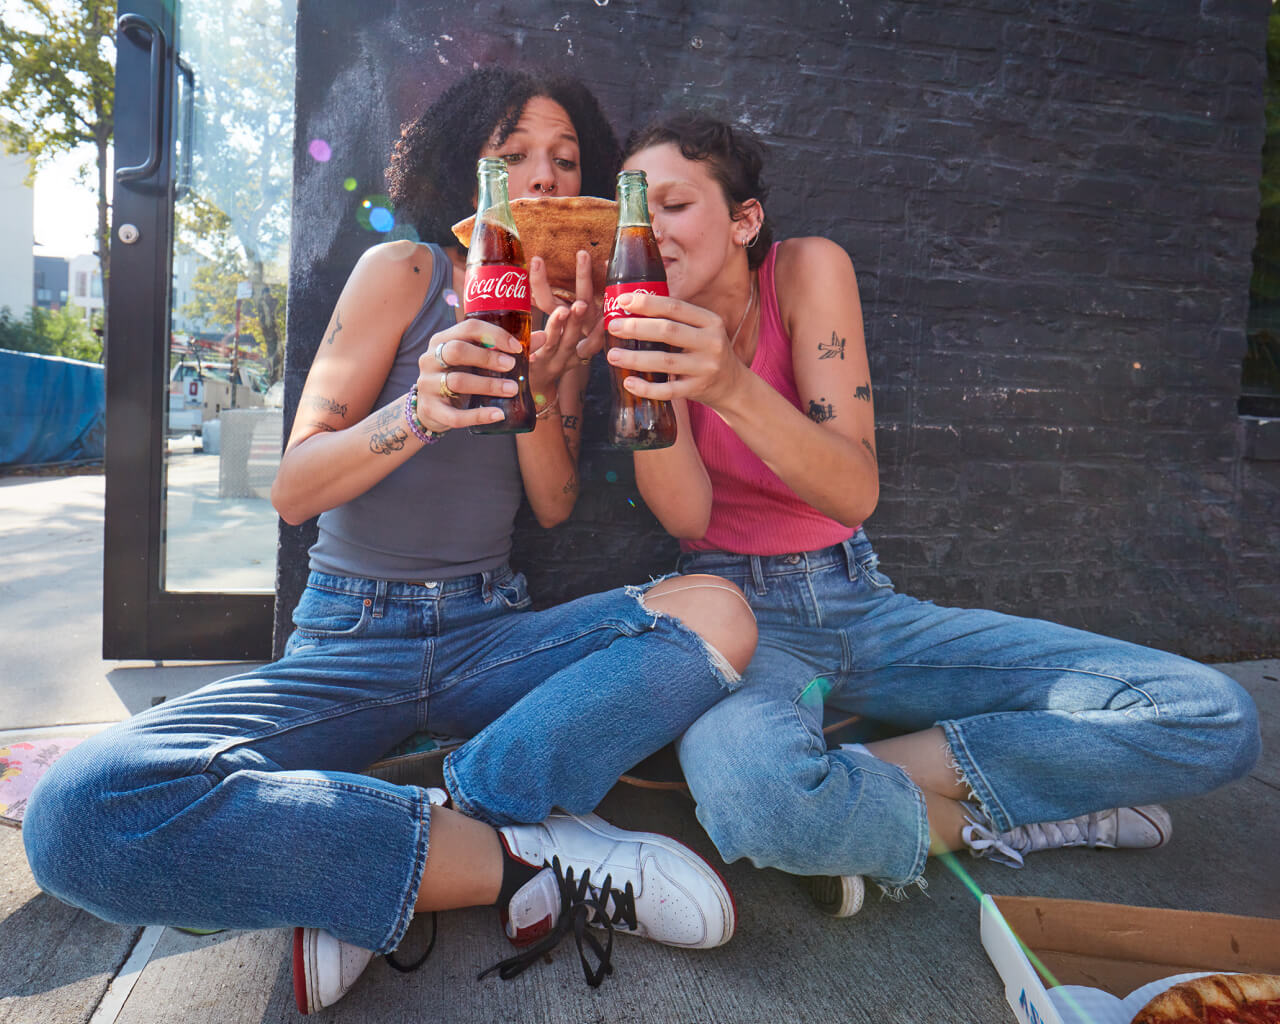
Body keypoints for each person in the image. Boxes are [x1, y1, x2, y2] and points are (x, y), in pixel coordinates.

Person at [21, 75, 756, 1014]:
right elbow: (294, 488)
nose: (542, 177)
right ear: (467, 167)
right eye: (513, 155)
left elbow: (558, 505)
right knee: (81, 815)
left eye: (566, 161)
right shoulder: (402, 273)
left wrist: (538, 376)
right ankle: (518, 856)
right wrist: (420, 409)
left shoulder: (570, 302)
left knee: (719, 611)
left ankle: (383, 844)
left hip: (489, 630)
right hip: (351, 640)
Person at [597, 112, 1261, 916]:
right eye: (634, 212)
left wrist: (731, 386)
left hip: (859, 599)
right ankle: (1004, 816)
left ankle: (851, 792)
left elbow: (852, 491)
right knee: (757, 797)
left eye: (672, 205)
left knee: (1213, 716)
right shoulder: (636, 323)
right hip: (735, 614)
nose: (650, 230)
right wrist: (642, 372)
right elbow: (687, 515)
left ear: (745, 221)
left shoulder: (806, 272)